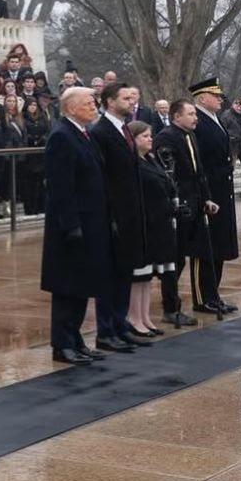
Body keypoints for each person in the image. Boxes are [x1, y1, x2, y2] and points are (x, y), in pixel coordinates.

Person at [40, 87, 111, 365]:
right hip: (70, 227)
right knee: (67, 287)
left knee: (82, 285)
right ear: (71, 108)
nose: (94, 107)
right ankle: (62, 344)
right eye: (89, 103)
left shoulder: (83, 133)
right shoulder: (61, 137)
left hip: (90, 222)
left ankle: (76, 339)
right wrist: (71, 225)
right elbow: (61, 187)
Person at [90, 82, 149, 352]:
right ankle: (106, 330)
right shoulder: (101, 131)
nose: (131, 102)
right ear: (110, 102)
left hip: (130, 210)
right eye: (125, 98)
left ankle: (120, 323)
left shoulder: (124, 128)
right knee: (109, 274)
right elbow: (102, 176)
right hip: (112, 213)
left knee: (125, 270)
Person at [152, 99, 216, 326]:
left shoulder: (191, 136)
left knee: (192, 254)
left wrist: (206, 197)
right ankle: (170, 306)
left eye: (194, 114)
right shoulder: (165, 138)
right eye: (190, 114)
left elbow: (199, 171)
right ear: (176, 116)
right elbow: (168, 175)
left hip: (196, 204)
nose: (195, 117)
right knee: (175, 259)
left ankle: (193, 298)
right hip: (179, 207)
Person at [189, 77, 238, 314]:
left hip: (220, 190)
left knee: (217, 245)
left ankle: (213, 294)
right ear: (202, 98)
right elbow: (197, 161)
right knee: (204, 247)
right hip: (207, 191)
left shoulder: (214, 119)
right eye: (215, 95)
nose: (220, 99)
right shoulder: (197, 121)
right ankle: (202, 297)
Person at [126, 120, 176, 337]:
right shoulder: (132, 163)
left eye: (150, 136)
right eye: (144, 136)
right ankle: (134, 318)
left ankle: (144, 317)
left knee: (148, 276)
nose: (150, 139)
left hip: (159, 222)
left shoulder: (151, 159)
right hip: (145, 222)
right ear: (133, 139)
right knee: (139, 276)